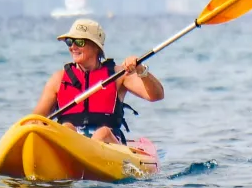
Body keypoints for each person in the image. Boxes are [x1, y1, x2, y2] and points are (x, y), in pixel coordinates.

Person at [32, 19, 164, 145]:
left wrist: (140, 70)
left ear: (96, 47)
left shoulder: (118, 75)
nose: (73, 47)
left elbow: (156, 95)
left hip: (108, 144)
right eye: (69, 42)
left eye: (79, 42)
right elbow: (35, 119)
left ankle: (88, 151)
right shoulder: (58, 79)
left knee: (102, 133)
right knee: (66, 127)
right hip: (70, 143)